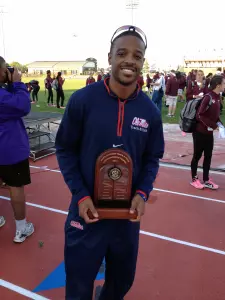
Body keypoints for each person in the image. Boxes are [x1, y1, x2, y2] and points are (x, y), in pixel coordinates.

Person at [55, 25, 165, 300]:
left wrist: (142, 193)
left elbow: (152, 157)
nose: (130, 60)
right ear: (110, 57)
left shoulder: (150, 111)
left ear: (142, 62)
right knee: (79, 287)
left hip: (126, 218)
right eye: (122, 53)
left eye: (137, 56)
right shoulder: (83, 100)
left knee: (121, 283)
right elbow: (65, 148)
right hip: (86, 213)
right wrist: (80, 196)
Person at [0, 56, 34, 242]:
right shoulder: (3, 98)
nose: (8, 71)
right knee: (15, 186)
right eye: (5, 68)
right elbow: (22, 105)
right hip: (10, 149)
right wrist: (18, 83)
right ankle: (21, 228)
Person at [190, 75, 225, 190]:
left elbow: (214, 116)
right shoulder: (208, 97)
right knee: (197, 156)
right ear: (218, 85)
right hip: (200, 132)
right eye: (224, 83)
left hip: (209, 134)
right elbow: (200, 115)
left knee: (208, 156)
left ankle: (206, 179)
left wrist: (220, 125)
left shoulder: (217, 97)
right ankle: (194, 179)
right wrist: (214, 126)